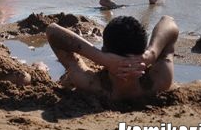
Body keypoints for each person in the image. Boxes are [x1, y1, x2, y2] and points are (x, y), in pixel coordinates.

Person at [46, 15, 178, 100]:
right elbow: (168, 20)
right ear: (142, 51)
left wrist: (100, 57)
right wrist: (152, 53)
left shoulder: (92, 84)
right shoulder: (159, 81)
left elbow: (52, 30)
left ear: (105, 50)